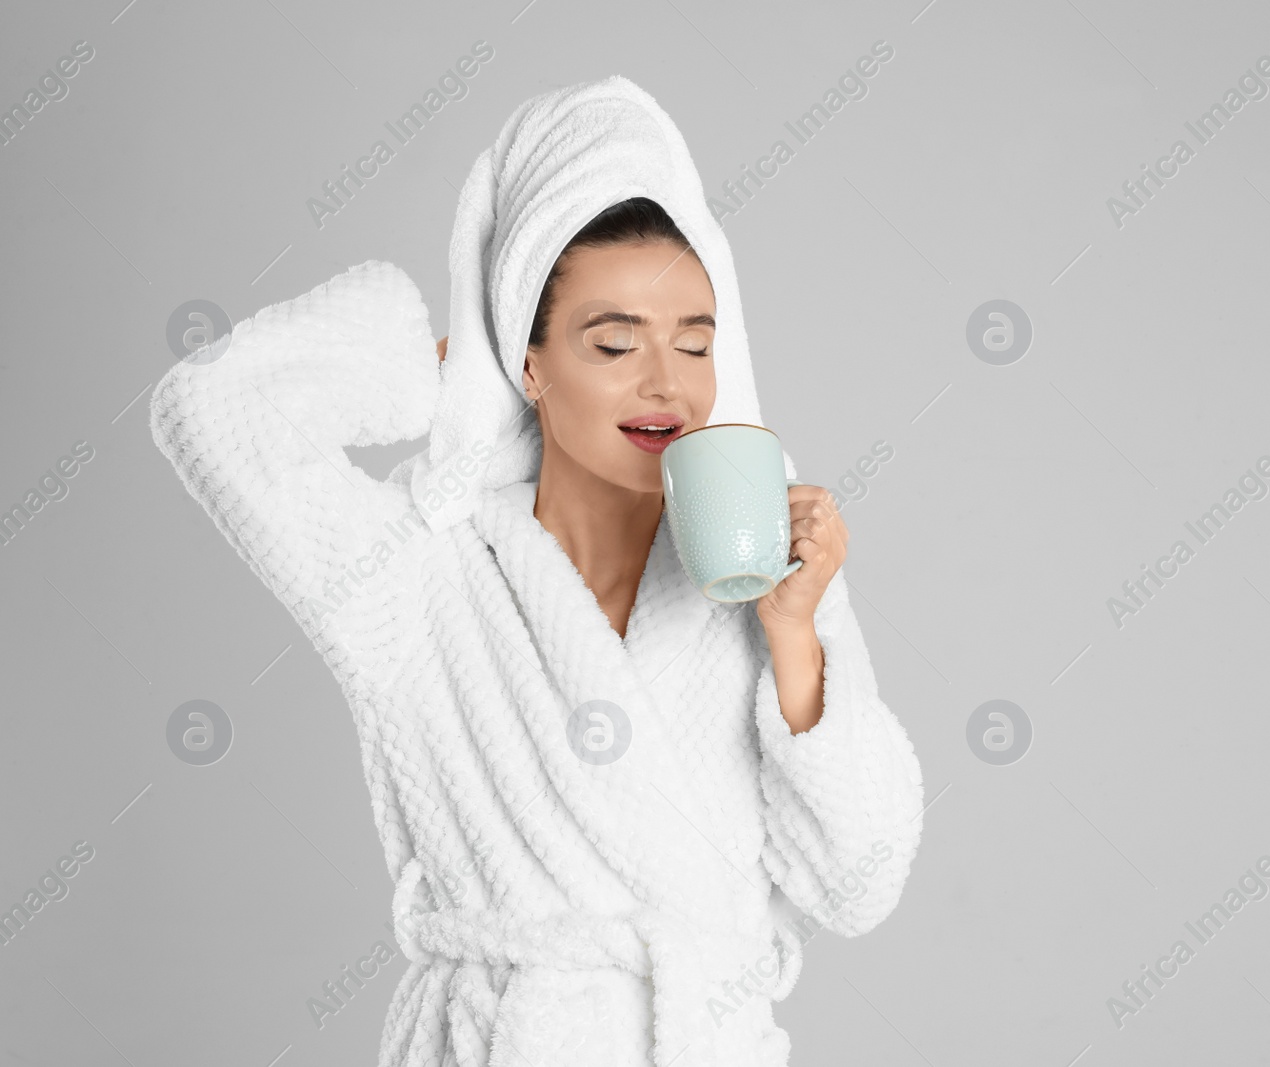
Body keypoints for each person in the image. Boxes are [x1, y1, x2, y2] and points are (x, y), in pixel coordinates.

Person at [150, 76, 923, 1067]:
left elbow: (858, 883)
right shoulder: (418, 573)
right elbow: (212, 410)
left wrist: (793, 636)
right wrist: (435, 366)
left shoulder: (768, 573)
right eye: (613, 341)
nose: (666, 381)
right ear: (528, 362)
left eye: (695, 340)